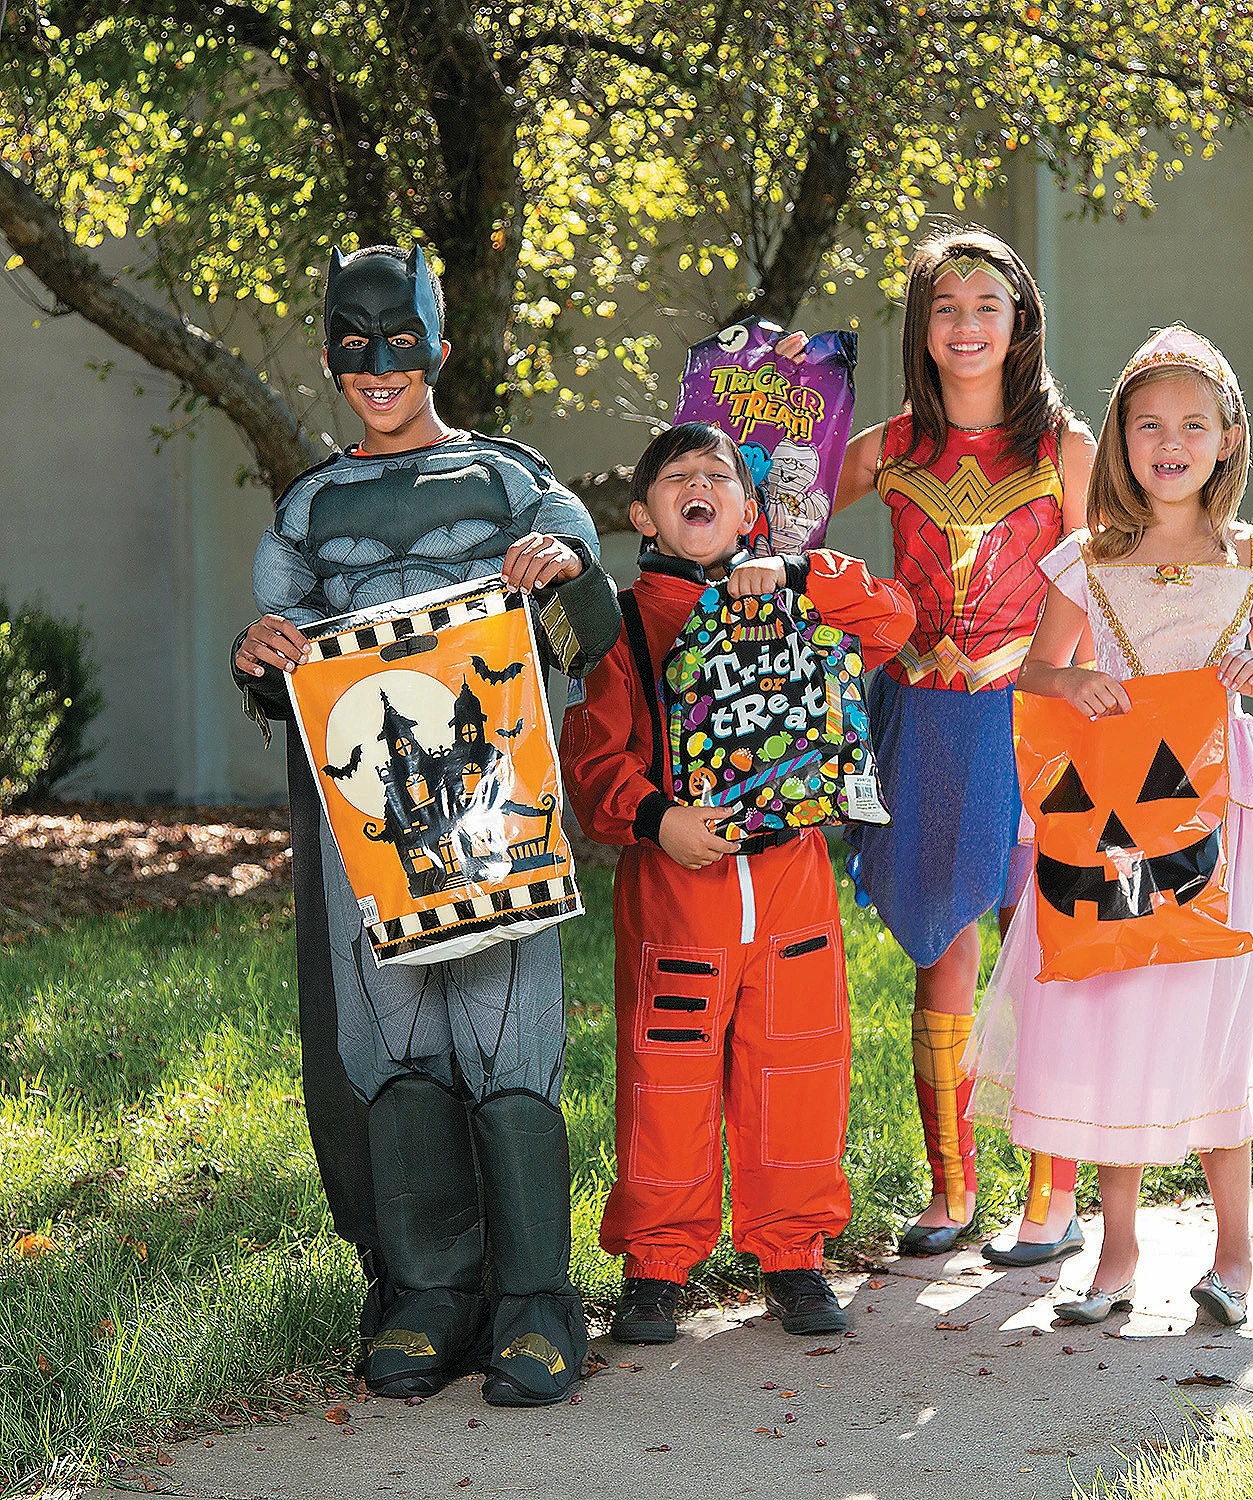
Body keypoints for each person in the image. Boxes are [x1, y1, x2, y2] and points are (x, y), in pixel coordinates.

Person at [230, 243, 621, 1405]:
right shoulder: (308, 508)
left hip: (494, 815)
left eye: (400, 341)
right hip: (368, 829)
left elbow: (589, 634)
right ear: (332, 356)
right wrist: (256, 659)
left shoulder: (512, 482)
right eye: (354, 344)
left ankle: (538, 1298)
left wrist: (564, 571)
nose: (378, 365)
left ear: (439, 349)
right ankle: (428, 1292)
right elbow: (280, 662)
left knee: (506, 1048)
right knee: (392, 1054)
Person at [966, 325, 1253, 1328]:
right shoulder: (1087, 559)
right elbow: (1030, 673)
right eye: (1148, 423)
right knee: (1113, 1007)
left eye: (1192, 424)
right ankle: (1115, 1250)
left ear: (1229, 436)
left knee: (1213, 1010)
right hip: (1108, 812)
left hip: (1213, 812)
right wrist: (1069, 676)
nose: (1170, 441)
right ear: (1118, 437)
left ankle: (1234, 1253)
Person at [560, 421, 915, 1344]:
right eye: (676, 479)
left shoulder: (799, 596)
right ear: (643, 512)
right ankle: (656, 1266)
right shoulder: (626, 624)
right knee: (665, 1085)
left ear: (750, 508)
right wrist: (655, 819)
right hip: (679, 900)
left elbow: (895, 619)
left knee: (797, 1072)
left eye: (717, 475)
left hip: (792, 894)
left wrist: (799, 574)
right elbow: (594, 762)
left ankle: (793, 1256)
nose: (698, 487)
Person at [786, 228, 1095, 1259]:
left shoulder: (1066, 448)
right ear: (923, 325)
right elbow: (784, 518)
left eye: (986, 307)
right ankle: (949, 1188)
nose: (967, 326)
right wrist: (776, 420)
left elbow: (1099, 583)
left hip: (1029, 718)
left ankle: (1052, 1197)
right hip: (922, 715)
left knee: (1041, 950)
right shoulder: (889, 445)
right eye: (946, 308)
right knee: (942, 952)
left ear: (1020, 322)